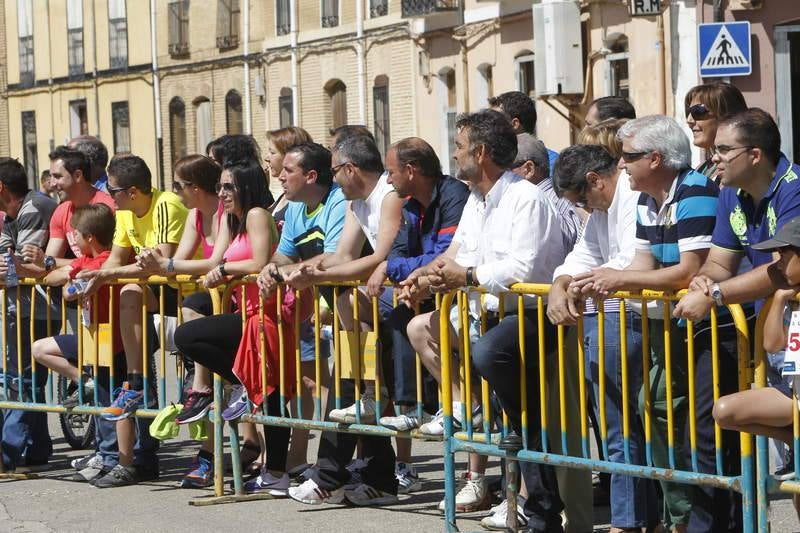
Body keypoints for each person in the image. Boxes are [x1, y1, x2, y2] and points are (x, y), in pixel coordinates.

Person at [403, 109, 568, 531]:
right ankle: (473, 408)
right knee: (423, 327)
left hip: (532, 316)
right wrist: (426, 278)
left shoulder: (525, 197)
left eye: (458, 147)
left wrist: (469, 276)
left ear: (479, 152)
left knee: (497, 367)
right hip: (488, 316)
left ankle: (534, 499)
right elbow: (458, 253)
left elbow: (525, 269)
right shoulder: (477, 199)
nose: (453, 155)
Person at [572, 115, 720, 533]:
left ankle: (698, 516)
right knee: (655, 410)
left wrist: (617, 279)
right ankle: (680, 515)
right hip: (667, 323)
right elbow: (644, 264)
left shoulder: (694, 192)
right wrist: (607, 278)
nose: (621, 165)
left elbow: (687, 271)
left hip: (707, 326)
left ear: (655, 159)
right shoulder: (645, 199)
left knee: (690, 422)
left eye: (629, 157)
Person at [673, 108, 800, 530]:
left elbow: (786, 270)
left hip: (781, 325)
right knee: (729, 415)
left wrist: (714, 294)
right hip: (775, 335)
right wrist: (704, 284)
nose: (715, 158)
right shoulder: (731, 189)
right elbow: (720, 263)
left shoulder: (794, 189)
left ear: (757, 154)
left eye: (724, 149)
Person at [282, 133, 405, 507]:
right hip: (370, 304)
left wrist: (315, 276)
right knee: (350, 380)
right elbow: (341, 255)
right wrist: (312, 267)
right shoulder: (355, 202)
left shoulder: (387, 195)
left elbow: (378, 258)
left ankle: (330, 476)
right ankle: (372, 477)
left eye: (335, 171)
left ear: (350, 169)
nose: (332, 180)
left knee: (347, 377)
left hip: (401, 294)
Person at [549, 144, 657, 533]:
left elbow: (629, 261)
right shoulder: (603, 208)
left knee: (621, 426)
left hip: (627, 317)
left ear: (595, 180)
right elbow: (584, 254)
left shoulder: (628, 198)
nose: (585, 207)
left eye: (582, 198)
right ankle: (637, 518)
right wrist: (560, 283)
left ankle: (629, 521)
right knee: (620, 426)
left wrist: (572, 283)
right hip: (612, 315)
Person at [172, 162, 289, 496]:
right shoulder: (234, 221)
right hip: (248, 314)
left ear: (245, 188)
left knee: (189, 335)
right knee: (268, 393)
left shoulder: (255, 214)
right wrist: (222, 270)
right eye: (220, 187)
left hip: (266, 316)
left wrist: (225, 269)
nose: (221, 193)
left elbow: (260, 262)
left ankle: (277, 470)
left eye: (228, 187)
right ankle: (275, 473)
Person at [76, 154, 189, 488]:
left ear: (135, 191)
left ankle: (137, 384)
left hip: (183, 291)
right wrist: (93, 277)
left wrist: (107, 274)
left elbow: (161, 264)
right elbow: (114, 259)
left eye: (114, 191)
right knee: (126, 292)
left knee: (128, 289)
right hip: (148, 293)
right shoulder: (124, 213)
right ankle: (135, 383)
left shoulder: (167, 204)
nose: (110, 197)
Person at [366, 137, 469, 494]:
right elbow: (397, 253)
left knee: (408, 316)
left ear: (411, 171)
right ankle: (412, 407)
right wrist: (407, 275)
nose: (388, 179)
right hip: (426, 292)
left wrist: (407, 274)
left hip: (459, 296)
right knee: (396, 316)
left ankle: (446, 406)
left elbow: (443, 255)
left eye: (392, 171)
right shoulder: (410, 204)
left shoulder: (453, 195)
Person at [136, 154, 242, 488]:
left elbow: (214, 260)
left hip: (232, 303)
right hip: (209, 303)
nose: (177, 193)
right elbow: (177, 263)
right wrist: (159, 263)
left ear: (194, 187)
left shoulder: (225, 215)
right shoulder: (196, 216)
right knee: (193, 305)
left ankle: (201, 387)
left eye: (179, 186)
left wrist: (165, 267)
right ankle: (209, 454)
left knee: (194, 305)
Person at [712, 216, 800, 520]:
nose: (775, 264)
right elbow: (772, 344)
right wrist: (779, 299)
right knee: (724, 411)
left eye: (785, 256)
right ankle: (793, 440)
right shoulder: (789, 295)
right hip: (791, 393)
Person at [0, 157, 59, 471]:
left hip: (38, 307)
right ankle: (37, 449)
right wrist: (11, 270)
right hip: (22, 305)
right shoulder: (12, 213)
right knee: (24, 377)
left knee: (22, 379)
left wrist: (11, 270)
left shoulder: (34, 208)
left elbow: (21, 266)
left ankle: (7, 454)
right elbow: (9, 262)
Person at [31, 204, 119, 410]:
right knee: (40, 349)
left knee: (107, 405)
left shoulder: (103, 262)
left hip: (107, 338)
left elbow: (67, 294)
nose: (74, 241)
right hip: (89, 336)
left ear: (90, 237)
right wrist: (67, 275)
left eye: (76, 234)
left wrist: (67, 278)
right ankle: (85, 381)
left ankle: (112, 440)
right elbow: (51, 277)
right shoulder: (84, 259)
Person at [19, 147, 116, 276]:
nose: (52, 184)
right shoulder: (61, 211)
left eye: (57, 176)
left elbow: (110, 261)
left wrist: (51, 262)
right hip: (84, 293)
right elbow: (47, 266)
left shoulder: (110, 208)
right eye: (51, 177)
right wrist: (16, 268)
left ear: (77, 176)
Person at [684, 81, 747, 181]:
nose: (689, 120)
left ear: (726, 115)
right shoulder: (702, 169)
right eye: (688, 112)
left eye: (697, 111)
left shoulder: (740, 168)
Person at [488, 91, 558, 171]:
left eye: (495, 121)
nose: (490, 127)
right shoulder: (494, 162)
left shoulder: (553, 165)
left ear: (514, 124)